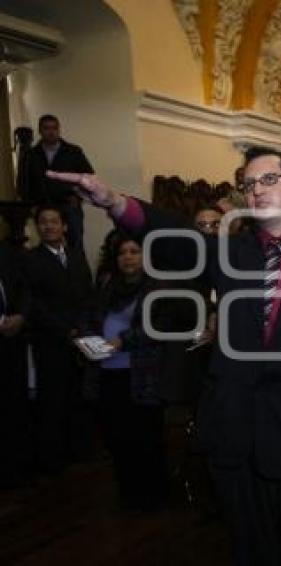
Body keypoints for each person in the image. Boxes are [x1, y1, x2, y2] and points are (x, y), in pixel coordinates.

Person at [48, 145, 281, 566]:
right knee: (248, 550)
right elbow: (175, 237)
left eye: (269, 179)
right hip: (234, 436)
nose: (257, 191)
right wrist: (113, 201)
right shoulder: (231, 254)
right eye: (249, 184)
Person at [82, 233, 170, 510]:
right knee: (117, 438)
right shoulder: (107, 286)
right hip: (108, 373)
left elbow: (159, 327)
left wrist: (123, 340)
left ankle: (153, 498)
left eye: (134, 251)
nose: (128, 257)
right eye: (122, 253)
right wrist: (85, 337)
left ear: (145, 257)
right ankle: (129, 495)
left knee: (146, 438)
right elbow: (90, 317)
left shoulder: (158, 288)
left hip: (142, 376)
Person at [23, 205, 94, 473]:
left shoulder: (76, 256)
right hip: (50, 340)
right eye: (43, 222)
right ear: (37, 227)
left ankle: (80, 450)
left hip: (80, 340)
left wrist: (82, 326)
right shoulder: (29, 259)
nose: (49, 226)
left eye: (54, 222)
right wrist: (65, 328)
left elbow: (88, 293)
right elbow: (34, 302)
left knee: (79, 395)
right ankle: (54, 459)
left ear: (64, 226)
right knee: (53, 399)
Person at [18, 115, 94, 249]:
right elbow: (23, 182)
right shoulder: (31, 155)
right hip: (42, 205)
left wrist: (77, 196)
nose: (51, 132)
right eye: (47, 128)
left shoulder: (72, 151)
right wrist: (30, 205)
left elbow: (89, 178)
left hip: (68, 205)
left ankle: (77, 269)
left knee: (75, 245)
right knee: (46, 246)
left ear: (59, 129)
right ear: (40, 131)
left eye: (54, 128)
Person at [0, 242, 31, 487]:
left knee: (13, 406)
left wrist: (21, 315)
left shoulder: (7, 252)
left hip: (12, 340)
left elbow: (24, 289)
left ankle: (14, 469)